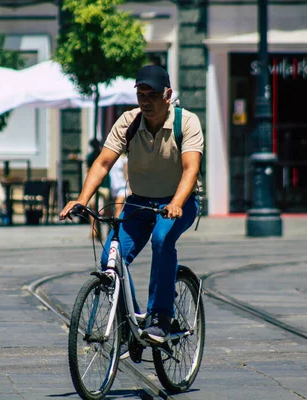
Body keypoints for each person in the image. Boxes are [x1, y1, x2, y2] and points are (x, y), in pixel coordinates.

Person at [60, 65, 203, 343]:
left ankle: (160, 318)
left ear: (168, 95)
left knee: (162, 240)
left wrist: (175, 203)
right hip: (139, 203)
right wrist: (82, 199)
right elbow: (103, 163)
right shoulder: (129, 122)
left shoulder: (186, 123)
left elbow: (190, 170)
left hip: (178, 203)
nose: (146, 101)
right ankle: (131, 323)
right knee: (110, 259)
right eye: (141, 95)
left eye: (152, 94)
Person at [108, 153, 129, 218]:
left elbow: (126, 172)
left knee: (118, 206)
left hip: (122, 185)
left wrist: (128, 186)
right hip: (114, 185)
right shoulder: (112, 157)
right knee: (115, 207)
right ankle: (117, 223)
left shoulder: (124, 158)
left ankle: (117, 226)